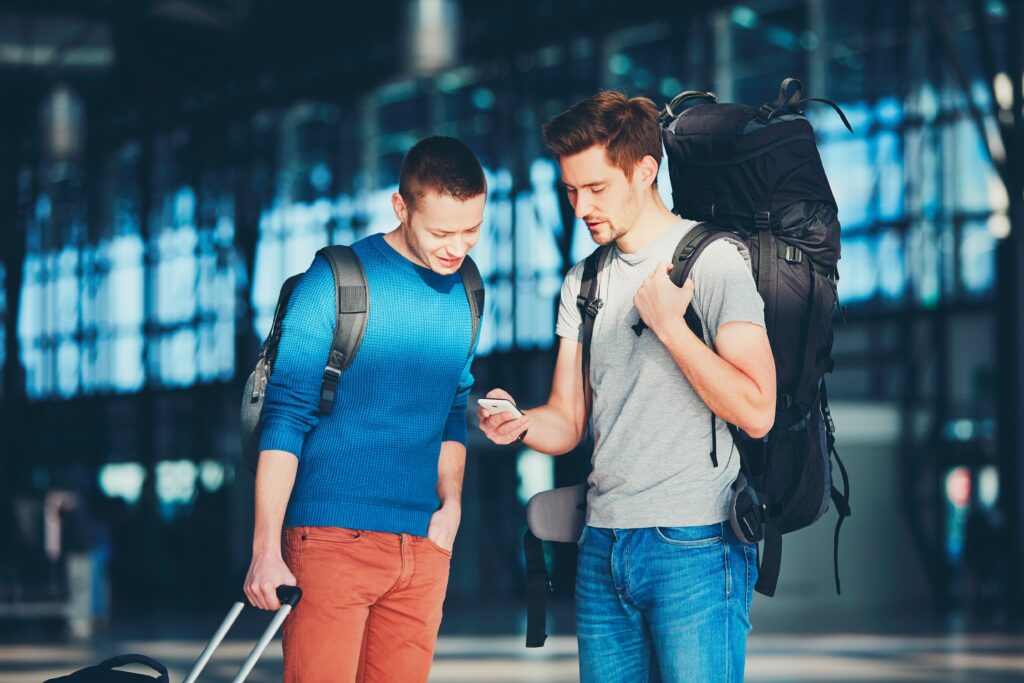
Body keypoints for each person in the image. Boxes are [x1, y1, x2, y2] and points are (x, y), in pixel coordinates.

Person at [478, 92, 776, 682]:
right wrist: (521, 423)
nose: (580, 207)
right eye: (570, 191)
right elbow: (567, 422)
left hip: (693, 542)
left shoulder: (713, 262)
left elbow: (757, 409)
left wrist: (670, 325)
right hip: (601, 545)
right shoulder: (581, 282)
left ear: (644, 171)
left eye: (596, 189)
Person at [244, 136, 486, 683]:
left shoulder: (469, 290)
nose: (458, 247)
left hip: (423, 546)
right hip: (330, 540)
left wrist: (451, 507)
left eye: (471, 229)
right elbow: (285, 416)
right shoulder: (332, 281)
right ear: (401, 208)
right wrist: (264, 549)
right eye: (442, 232)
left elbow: (452, 405)